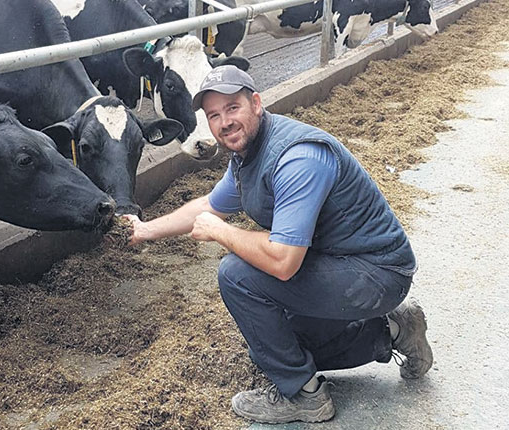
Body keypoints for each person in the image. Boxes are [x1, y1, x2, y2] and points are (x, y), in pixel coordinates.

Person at [125, 65, 433, 424]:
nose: (224, 122)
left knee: (237, 274)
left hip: (375, 273)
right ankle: (396, 330)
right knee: (276, 347)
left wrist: (221, 233)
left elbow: (283, 261)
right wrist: (145, 230)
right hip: (338, 264)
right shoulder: (248, 154)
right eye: (213, 115)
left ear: (256, 103)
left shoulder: (295, 158)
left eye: (232, 108)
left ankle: (305, 396)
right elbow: (209, 206)